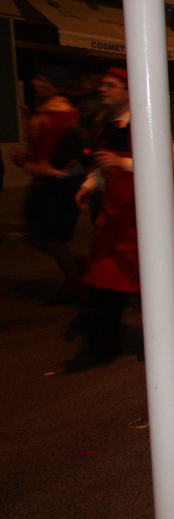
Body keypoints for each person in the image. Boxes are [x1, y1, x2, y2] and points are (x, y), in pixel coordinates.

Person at [64, 68, 139, 371]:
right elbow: (103, 167)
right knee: (104, 279)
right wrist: (89, 184)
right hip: (114, 215)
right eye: (103, 85)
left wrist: (122, 162)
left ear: (128, 91)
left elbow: (169, 161)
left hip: (135, 219)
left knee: (131, 280)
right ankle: (101, 340)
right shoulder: (110, 127)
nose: (104, 90)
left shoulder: (142, 124)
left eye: (111, 85)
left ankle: (106, 341)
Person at [13, 67, 85, 302]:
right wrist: (29, 159)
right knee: (36, 235)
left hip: (61, 184)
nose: (35, 83)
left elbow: (75, 151)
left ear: (55, 86)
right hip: (42, 181)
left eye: (42, 80)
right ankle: (76, 266)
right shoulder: (41, 111)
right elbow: (40, 147)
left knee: (52, 237)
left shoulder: (65, 114)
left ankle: (74, 283)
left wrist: (56, 170)